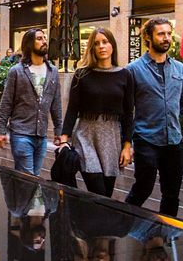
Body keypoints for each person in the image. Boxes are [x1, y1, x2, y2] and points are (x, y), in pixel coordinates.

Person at [125, 18, 183, 217]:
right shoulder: (133, 70)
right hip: (146, 140)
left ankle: (165, 234)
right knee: (142, 189)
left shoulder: (180, 69)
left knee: (171, 195)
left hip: (174, 141)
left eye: (169, 34)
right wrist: (127, 143)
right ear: (148, 37)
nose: (166, 38)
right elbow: (126, 111)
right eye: (161, 34)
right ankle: (123, 223)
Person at [57, 28, 134, 197]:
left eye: (105, 42)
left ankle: (95, 223)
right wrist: (64, 140)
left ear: (112, 45)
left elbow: (129, 114)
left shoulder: (125, 75)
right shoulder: (82, 74)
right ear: (92, 48)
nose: (101, 46)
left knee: (106, 195)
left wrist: (127, 146)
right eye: (96, 43)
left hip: (112, 138)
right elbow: (72, 109)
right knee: (97, 191)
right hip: (86, 137)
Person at [0, 29, 63, 176]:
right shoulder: (17, 71)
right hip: (21, 134)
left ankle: (18, 199)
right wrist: (1, 130)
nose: (44, 41)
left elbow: (56, 103)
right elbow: (6, 102)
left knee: (34, 178)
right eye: (39, 38)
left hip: (42, 136)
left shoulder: (53, 71)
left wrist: (59, 130)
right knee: (28, 179)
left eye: (44, 38)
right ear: (29, 44)